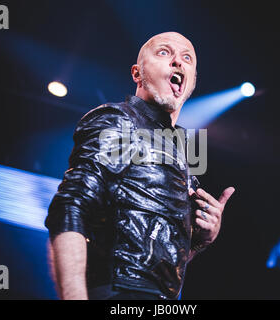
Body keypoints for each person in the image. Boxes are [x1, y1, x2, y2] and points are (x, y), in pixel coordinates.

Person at [44, 32, 235, 300]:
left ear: (192, 83)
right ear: (138, 73)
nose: (178, 62)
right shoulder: (122, 122)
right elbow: (70, 206)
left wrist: (198, 242)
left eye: (187, 58)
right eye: (164, 53)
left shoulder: (183, 150)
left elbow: (156, 262)